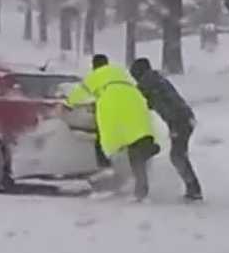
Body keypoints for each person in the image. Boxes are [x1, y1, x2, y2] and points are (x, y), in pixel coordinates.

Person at [64, 54, 159, 200]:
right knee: (136, 146)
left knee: (107, 139)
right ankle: (141, 186)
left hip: (115, 108)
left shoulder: (96, 75)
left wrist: (67, 104)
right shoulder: (120, 72)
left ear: (94, 66)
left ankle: (106, 167)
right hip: (135, 105)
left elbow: (80, 93)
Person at [129, 57, 202, 201]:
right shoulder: (156, 79)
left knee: (177, 156)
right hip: (185, 118)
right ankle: (193, 188)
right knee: (178, 155)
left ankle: (194, 189)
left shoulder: (148, 82)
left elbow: (140, 99)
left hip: (178, 121)